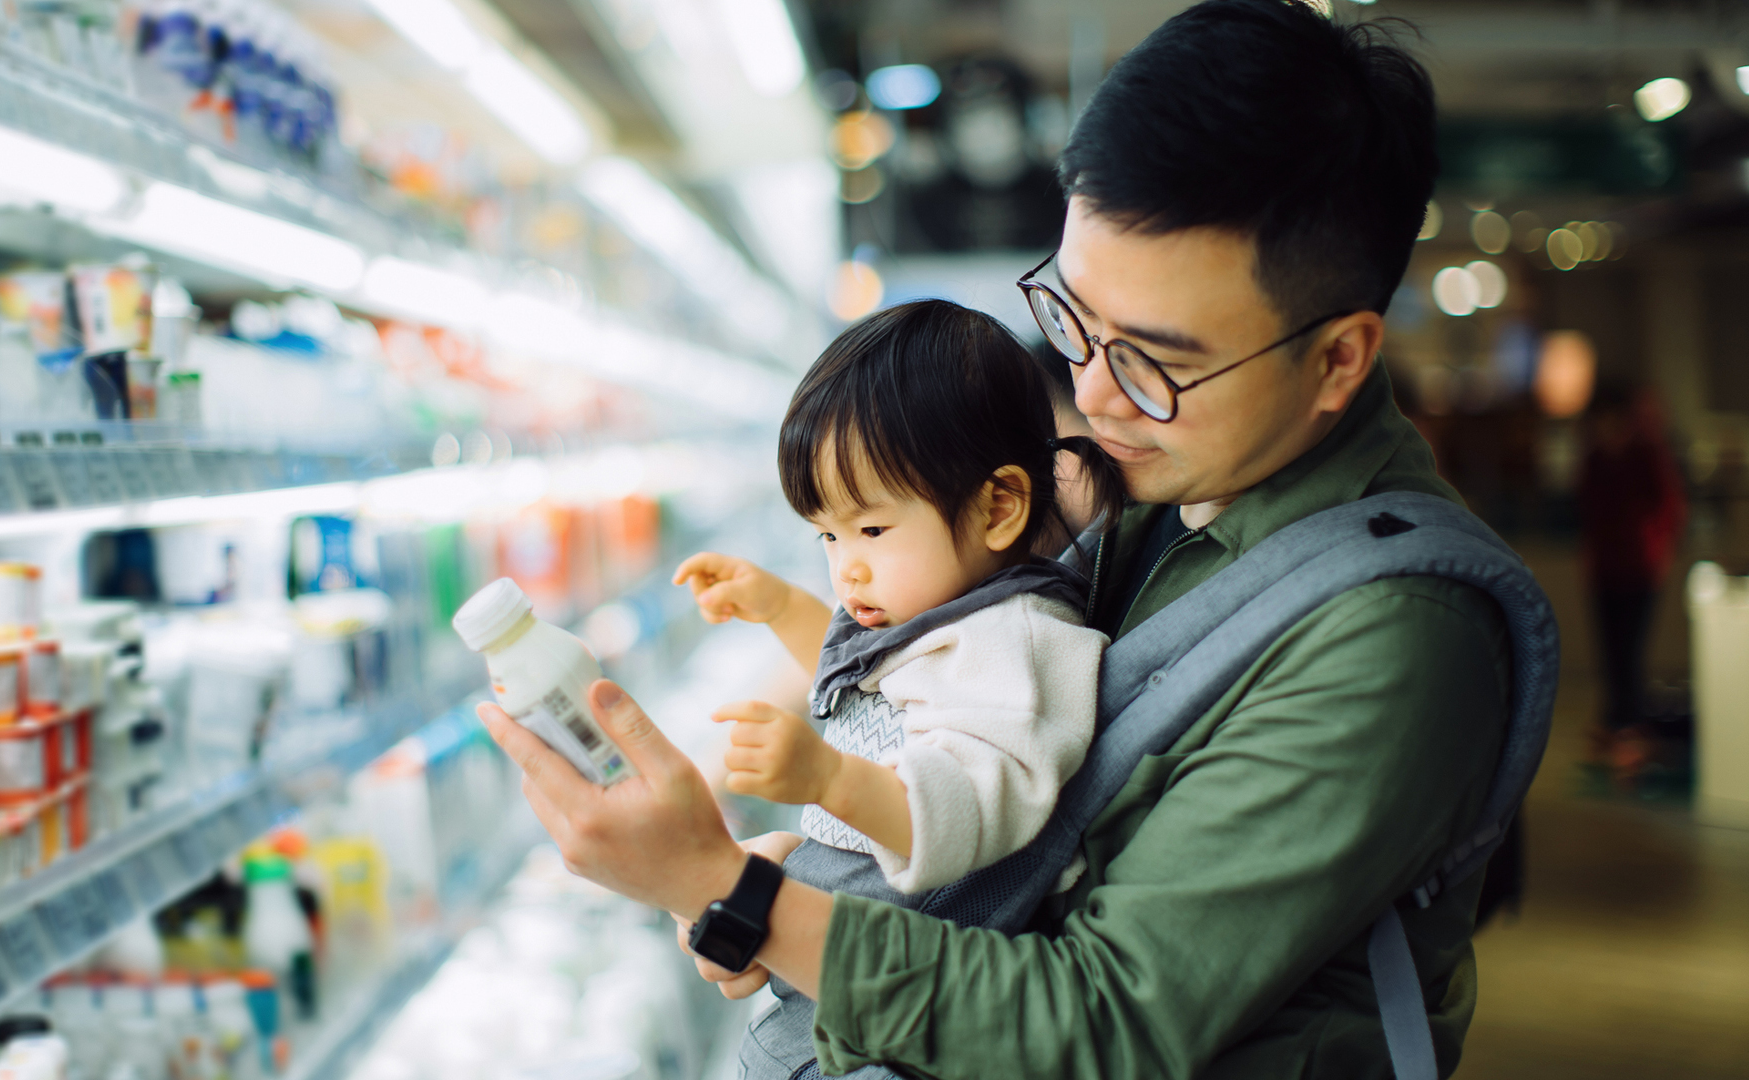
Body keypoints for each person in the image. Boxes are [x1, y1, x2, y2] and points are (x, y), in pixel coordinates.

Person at [477, 1, 1517, 1076]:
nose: (1095, 395)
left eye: (1157, 360)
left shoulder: (1395, 635)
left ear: (1338, 359)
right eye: (1074, 320)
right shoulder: (1157, 483)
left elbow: (1103, 1021)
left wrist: (735, 897)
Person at [672, 299, 1117, 897]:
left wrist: (830, 779)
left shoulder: (1013, 642)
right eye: (828, 535)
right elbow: (866, 686)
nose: (845, 569)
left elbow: (971, 806)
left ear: (999, 508)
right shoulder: (953, 617)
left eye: (871, 530)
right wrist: (777, 606)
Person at [1576, 380, 1686, 762]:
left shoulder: (1646, 455)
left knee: (1630, 651)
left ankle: (1629, 726)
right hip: (1605, 569)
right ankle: (1616, 723)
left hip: (1639, 570)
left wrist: (1656, 551)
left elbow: (1670, 509)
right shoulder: (1595, 458)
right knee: (1610, 651)